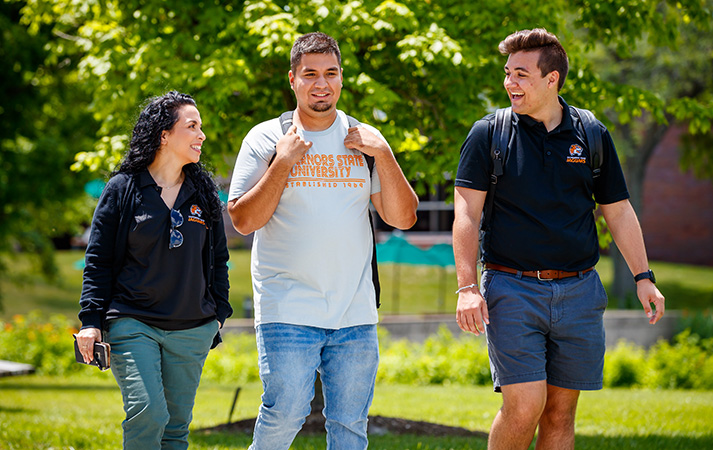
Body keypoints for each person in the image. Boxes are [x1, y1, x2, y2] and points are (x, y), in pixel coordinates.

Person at [453, 28, 665, 449]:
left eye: (521, 74)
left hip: (579, 290)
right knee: (525, 405)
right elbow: (466, 213)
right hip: (511, 287)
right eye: (508, 73)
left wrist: (644, 276)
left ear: (552, 80)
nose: (509, 83)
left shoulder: (590, 133)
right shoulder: (489, 134)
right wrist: (466, 287)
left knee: (560, 412)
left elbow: (618, 210)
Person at [227, 31, 418, 450]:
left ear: (342, 79)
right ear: (292, 78)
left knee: (350, 425)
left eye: (330, 73)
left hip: (355, 311)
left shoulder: (363, 139)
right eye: (310, 74)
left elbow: (402, 217)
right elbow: (242, 219)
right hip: (288, 306)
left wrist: (384, 152)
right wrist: (284, 161)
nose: (321, 83)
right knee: (285, 414)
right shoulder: (266, 137)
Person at [76, 91, 232, 450]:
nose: (201, 135)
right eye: (192, 126)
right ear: (164, 135)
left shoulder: (205, 192)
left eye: (201, 127)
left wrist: (219, 314)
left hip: (192, 328)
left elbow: (218, 259)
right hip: (133, 321)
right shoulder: (123, 189)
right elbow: (98, 259)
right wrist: (90, 320)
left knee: (176, 428)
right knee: (149, 412)